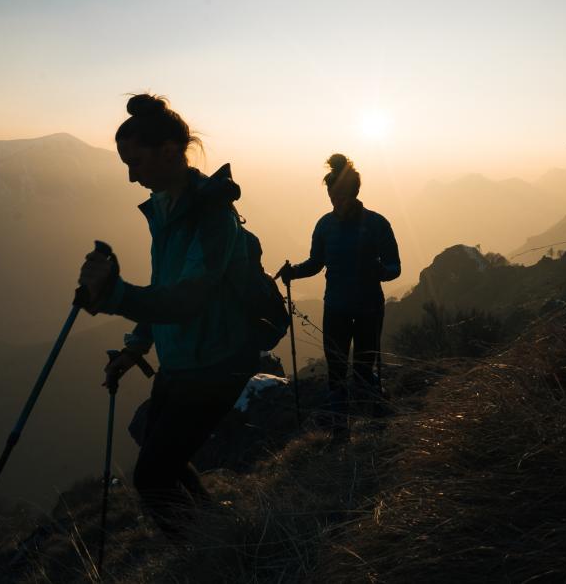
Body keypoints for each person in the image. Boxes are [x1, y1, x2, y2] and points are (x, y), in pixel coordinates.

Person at [76, 93, 257, 536]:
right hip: (181, 361)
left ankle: (203, 559)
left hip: (215, 362)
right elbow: (165, 289)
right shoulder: (165, 208)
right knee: (166, 464)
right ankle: (219, 539)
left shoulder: (212, 215)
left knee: (152, 477)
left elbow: (188, 300)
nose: (130, 176)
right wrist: (136, 346)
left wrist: (114, 294)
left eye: (135, 162)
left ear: (171, 151)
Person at [279, 154, 400, 434]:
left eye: (341, 196)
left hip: (367, 307)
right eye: (333, 197)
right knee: (336, 370)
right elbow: (315, 263)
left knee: (362, 367)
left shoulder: (377, 224)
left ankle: (375, 422)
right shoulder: (325, 225)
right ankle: (340, 430)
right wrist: (292, 272)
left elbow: (395, 267)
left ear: (354, 193)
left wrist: (379, 271)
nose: (337, 202)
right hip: (337, 308)